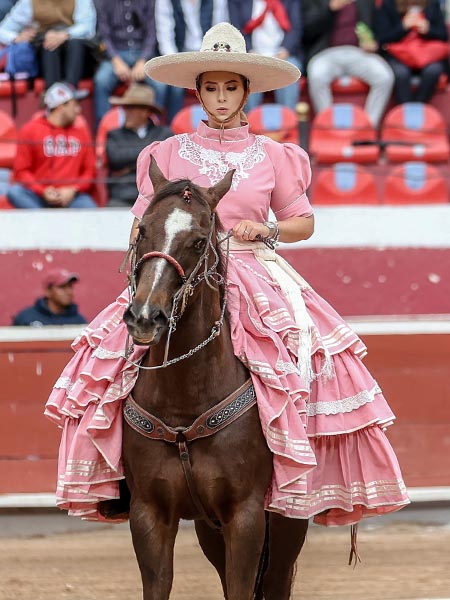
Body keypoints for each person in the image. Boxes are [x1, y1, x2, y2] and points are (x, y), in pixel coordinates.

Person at [45, 23, 409, 526]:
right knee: (113, 354)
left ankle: (291, 464)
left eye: (229, 87)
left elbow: (304, 221)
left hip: (250, 263)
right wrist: (143, 264)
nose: (219, 98)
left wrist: (269, 229)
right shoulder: (166, 152)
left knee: (307, 352)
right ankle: (121, 478)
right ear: (198, 92)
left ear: (245, 91)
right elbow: (142, 220)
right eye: (210, 88)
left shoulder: (275, 155)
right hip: (179, 266)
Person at [302, 0, 394, 127]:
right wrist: (330, 9)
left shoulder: (366, 2)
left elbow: (379, 29)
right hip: (327, 53)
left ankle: (368, 126)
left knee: (384, 76)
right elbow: (307, 30)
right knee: (317, 74)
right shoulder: (319, 2)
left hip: (359, 53)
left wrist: (374, 44)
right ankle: (327, 124)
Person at [7, 82, 97, 209]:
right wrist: (42, 191)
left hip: (72, 197)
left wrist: (73, 189)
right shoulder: (30, 130)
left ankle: (45, 221)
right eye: (75, 105)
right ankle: (44, 223)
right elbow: (21, 171)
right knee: (15, 192)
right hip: (39, 196)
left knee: (89, 207)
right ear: (61, 106)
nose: (79, 110)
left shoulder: (81, 132)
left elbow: (90, 171)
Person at [153, 0, 229, 123]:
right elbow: (165, 38)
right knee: (175, 84)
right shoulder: (165, 2)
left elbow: (219, 32)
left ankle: (218, 126)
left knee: (218, 79)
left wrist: (209, 60)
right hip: (179, 56)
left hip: (209, 54)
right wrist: (179, 64)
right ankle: (172, 129)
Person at [0, 0, 96, 89]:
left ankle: (69, 91)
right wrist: (16, 38)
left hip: (78, 60)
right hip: (45, 58)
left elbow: (88, 28)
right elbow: (2, 30)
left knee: (75, 43)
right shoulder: (29, 2)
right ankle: (53, 94)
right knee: (49, 44)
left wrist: (65, 35)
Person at [228, 0, 303, 111]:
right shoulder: (238, 2)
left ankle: (288, 122)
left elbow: (296, 29)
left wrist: (285, 51)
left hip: (283, 55)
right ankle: (249, 123)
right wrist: (249, 51)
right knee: (249, 71)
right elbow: (236, 30)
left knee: (289, 69)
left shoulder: (290, 2)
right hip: (252, 55)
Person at [105, 83, 172, 207]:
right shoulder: (114, 135)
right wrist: (151, 153)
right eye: (125, 108)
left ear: (145, 111)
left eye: (130, 108)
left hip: (156, 195)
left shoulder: (164, 133)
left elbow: (169, 162)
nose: (126, 112)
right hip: (123, 195)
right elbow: (116, 158)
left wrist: (129, 167)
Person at [93, 0, 158, 126]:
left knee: (161, 84)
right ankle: (104, 130)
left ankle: (155, 131)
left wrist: (142, 61)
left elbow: (152, 34)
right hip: (116, 53)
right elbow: (104, 36)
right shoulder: (102, 2)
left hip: (143, 53)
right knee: (101, 80)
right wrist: (116, 61)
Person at [374, 0, 449, 104]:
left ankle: (417, 109)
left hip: (427, 55)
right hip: (398, 55)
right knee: (401, 74)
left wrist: (428, 29)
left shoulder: (432, 4)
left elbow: (443, 35)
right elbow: (382, 38)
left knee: (433, 71)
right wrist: (403, 27)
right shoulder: (388, 4)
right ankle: (405, 112)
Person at [13, 268, 86, 326]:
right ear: (48, 291)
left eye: (70, 287)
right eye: (62, 287)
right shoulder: (26, 317)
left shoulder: (79, 322)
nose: (69, 292)